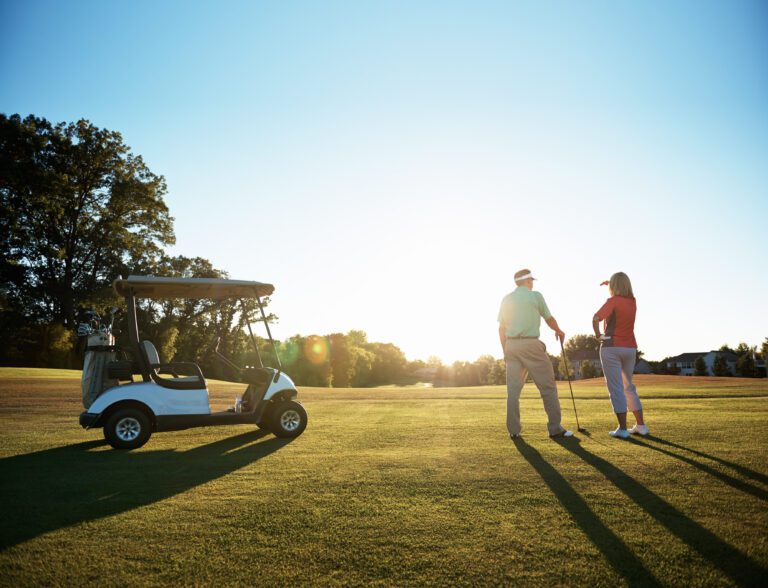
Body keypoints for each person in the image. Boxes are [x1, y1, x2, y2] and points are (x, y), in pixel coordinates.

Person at [498, 269, 573, 439]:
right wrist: (559, 330)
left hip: (511, 345)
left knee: (513, 392)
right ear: (528, 281)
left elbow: (501, 328)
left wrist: (505, 351)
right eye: (531, 280)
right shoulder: (536, 296)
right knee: (548, 388)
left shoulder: (506, 299)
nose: (532, 283)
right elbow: (548, 318)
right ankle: (555, 429)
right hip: (531, 344)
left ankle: (514, 431)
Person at [593, 272, 648, 439]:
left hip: (611, 347)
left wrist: (598, 336)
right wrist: (611, 283)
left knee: (615, 388)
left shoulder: (613, 301)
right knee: (628, 387)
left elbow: (595, 318)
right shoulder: (633, 302)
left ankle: (622, 429)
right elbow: (620, 299)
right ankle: (641, 426)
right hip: (630, 348)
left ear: (614, 287)